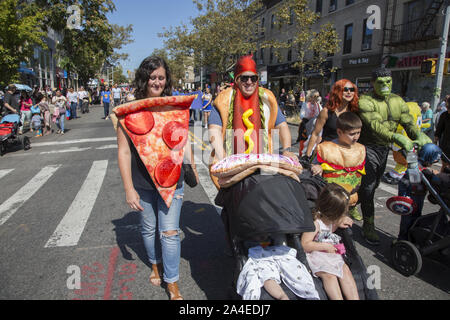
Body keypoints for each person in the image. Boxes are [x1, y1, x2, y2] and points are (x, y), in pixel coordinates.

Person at [116, 56, 197, 301]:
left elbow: (184, 138)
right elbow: (123, 150)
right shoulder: (131, 109)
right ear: (144, 79)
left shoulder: (174, 105)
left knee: (170, 232)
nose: (157, 82)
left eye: (161, 77)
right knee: (149, 229)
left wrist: (191, 167)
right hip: (143, 183)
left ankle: (172, 283)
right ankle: (154, 264)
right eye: (152, 77)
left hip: (173, 179)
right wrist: (129, 188)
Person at [357, 67, 432, 245]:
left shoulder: (398, 101)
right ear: (373, 83)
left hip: (385, 149)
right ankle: (368, 224)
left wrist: (418, 135)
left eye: (388, 82)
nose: (384, 86)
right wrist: (396, 137)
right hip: (368, 147)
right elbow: (375, 124)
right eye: (380, 83)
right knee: (368, 188)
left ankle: (354, 201)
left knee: (374, 185)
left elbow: (408, 122)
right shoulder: (365, 101)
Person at [208, 54, 296, 166]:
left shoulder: (267, 98)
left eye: (253, 78)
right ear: (236, 79)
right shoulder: (223, 99)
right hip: (232, 164)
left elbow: (282, 125)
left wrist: (287, 150)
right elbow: (214, 130)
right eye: (244, 78)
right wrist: (223, 158)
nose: (249, 82)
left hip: (263, 164)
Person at [301, 183, 359, 300]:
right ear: (333, 212)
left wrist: (344, 219)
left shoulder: (334, 220)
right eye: (342, 213)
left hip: (331, 255)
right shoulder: (316, 223)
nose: (343, 215)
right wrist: (324, 246)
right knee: (330, 276)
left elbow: (340, 221)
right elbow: (304, 244)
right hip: (317, 256)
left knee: (345, 271)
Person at [310, 112, 365, 221]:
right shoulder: (325, 148)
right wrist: (317, 167)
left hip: (349, 196)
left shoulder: (361, 149)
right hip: (329, 197)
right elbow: (313, 164)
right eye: (352, 134)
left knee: (343, 224)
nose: (356, 137)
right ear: (339, 132)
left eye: (358, 133)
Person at [396, 144, 443, 241]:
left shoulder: (419, 164)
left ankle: (412, 237)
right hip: (409, 199)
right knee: (408, 220)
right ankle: (402, 239)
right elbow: (415, 180)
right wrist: (431, 176)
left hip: (417, 197)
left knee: (416, 217)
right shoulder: (414, 168)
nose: (433, 163)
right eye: (433, 161)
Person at [304, 80, 359, 159]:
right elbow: (315, 134)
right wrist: (307, 155)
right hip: (327, 153)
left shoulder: (355, 111)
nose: (349, 92)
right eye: (345, 90)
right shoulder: (326, 112)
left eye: (352, 90)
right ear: (337, 91)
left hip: (347, 154)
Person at [434, 95, 450, 172]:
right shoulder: (444, 115)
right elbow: (439, 129)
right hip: (446, 144)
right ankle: (442, 181)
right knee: (445, 164)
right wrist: (435, 140)